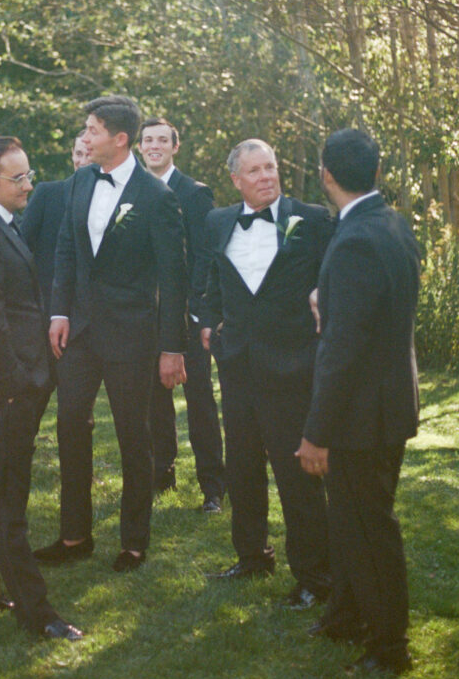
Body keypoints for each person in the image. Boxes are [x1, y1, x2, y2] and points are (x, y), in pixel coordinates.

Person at [35, 95, 187, 572]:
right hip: (78, 333)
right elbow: (65, 250)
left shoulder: (157, 197)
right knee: (69, 429)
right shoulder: (80, 180)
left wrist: (171, 348)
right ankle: (74, 535)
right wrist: (58, 312)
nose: (85, 138)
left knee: (132, 437)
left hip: (131, 337)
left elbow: (174, 279)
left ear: (120, 140)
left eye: (92, 130)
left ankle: (134, 541)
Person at [0, 135, 82, 640]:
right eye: (18, 177)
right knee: (5, 505)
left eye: (28, 174)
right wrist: (21, 385)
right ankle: (38, 615)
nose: (29, 184)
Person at [297, 129, 419, 675]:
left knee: (369, 530)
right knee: (351, 522)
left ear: (326, 175)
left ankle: (390, 648)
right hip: (390, 399)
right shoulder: (391, 223)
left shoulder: (353, 241)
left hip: (361, 414)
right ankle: (344, 616)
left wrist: (316, 432)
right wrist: (331, 300)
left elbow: (341, 350)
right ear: (374, 171)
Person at [199, 139, 331, 609]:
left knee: (296, 474)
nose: (265, 177)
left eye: (270, 167)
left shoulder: (312, 219)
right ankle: (252, 555)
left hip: (293, 367)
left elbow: (333, 276)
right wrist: (209, 324)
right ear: (236, 180)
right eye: (253, 171)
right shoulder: (217, 221)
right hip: (237, 366)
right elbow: (211, 279)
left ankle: (315, 577)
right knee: (242, 466)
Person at [138, 117, 226, 512]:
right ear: (139, 147)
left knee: (199, 399)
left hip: (187, 315)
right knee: (155, 399)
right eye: (148, 140)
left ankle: (213, 486)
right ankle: (162, 472)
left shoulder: (194, 194)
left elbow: (207, 257)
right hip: (147, 316)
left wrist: (194, 309)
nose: (154, 146)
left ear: (175, 147)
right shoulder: (135, 191)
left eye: (162, 140)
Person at [20, 130, 91, 310]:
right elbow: (20, 248)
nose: (82, 161)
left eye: (89, 155)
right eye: (78, 154)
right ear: (71, 154)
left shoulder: (113, 201)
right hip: (50, 307)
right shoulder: (47, 194)